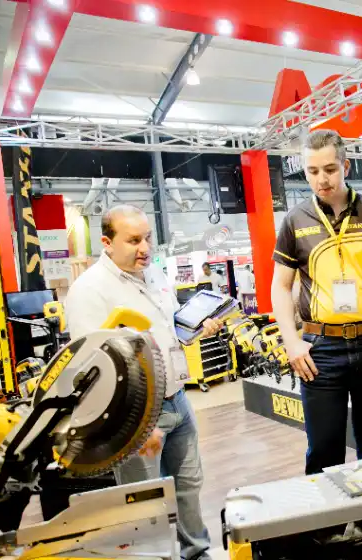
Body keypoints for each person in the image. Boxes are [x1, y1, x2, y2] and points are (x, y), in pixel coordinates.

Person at [64, 205, 222, 560]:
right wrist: (136, 423)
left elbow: (167, 331)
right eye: (133, 240)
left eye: (148, 238)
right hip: (137, 414)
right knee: (145, 502)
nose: (145, 248)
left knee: (188, 488)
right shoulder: (90, 291)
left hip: (178, 400)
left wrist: (194, 329)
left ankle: (197, 553)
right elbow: (91, 371)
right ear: (106, 242)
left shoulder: (153, 275)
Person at [271, 129, 362, 475]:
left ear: (346, 166)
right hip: (322, 350)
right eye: (313, 171)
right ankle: (326, 529)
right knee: (322, 450)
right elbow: (280, 287)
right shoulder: (294, 221)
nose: (322, 179)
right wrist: (291, 341)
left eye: (330, 169)